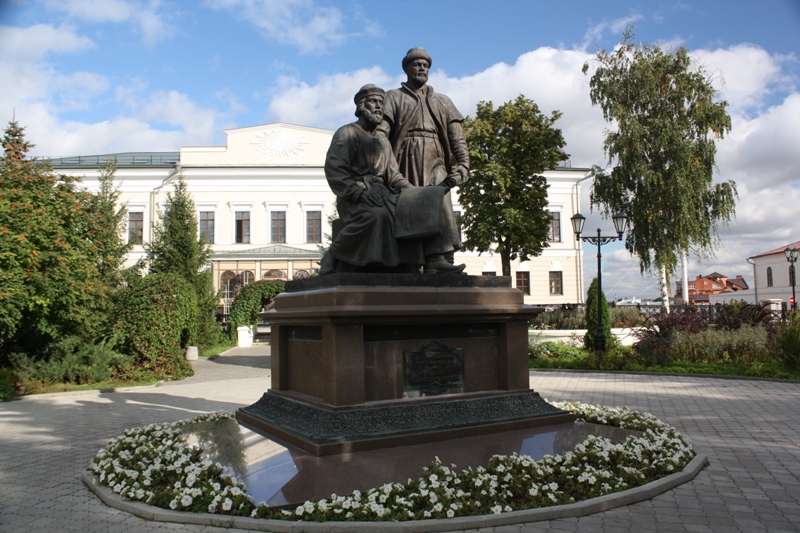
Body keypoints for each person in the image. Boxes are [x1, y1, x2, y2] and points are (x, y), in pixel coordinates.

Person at [378, 47, 470, 272]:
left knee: (438, 203)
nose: (421, 68)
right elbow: (381, 133)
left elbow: (457, 137)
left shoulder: (443, 101)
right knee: (410, 207)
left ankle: (437, 257)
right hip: (404, 158)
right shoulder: (394, 96)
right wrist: (387, 165)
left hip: (435, 156)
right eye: (416, 64)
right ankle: (411, 261)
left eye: (425, 65)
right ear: (406, 68)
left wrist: (464, 164)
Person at [320, 84, 422, 273]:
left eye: (381, 103)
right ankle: (333, 255)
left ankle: (406, 265)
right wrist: (358, 193)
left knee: (407, 214)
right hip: (353, 195)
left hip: (382, 193)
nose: (378, 107)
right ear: (361, 106)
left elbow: (394, 175)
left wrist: (412, 191)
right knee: (376, 215)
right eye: (374, 102)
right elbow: (335, 169)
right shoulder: (347, 133)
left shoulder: (383, 141)